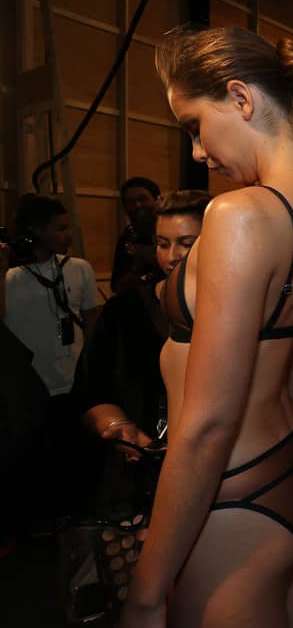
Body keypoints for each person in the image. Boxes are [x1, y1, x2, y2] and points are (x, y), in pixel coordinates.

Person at [118, 25, 293, 628]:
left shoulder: (241, 213)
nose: (197, 152)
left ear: (241, 100)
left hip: (235, 489)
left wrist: (145, 593)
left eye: (195, 125)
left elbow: (211, 419)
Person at [77, 190, 212, 463]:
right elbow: (89, 390)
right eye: (163, 244)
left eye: (187, 243)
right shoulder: (123, 310)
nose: (172, 256)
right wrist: (117, 426)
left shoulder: (239, 313)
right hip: (139, 470)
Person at [1, 194, 101, 523]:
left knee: (73, 458)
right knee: (34, 460)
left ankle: (75, 519)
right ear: (34, 232)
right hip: (30, 386)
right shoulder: (10, 278)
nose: (68, 234)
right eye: (59, 228)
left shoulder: (79, 269)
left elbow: (91, 320)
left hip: (73, 381)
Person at [111, 177, 164, 295]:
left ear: (157, 200)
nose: (137, 205)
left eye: (143, 199)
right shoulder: (128, 236)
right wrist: (137, 264)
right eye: (130, 201)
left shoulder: (170, 231)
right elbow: (117, 287)